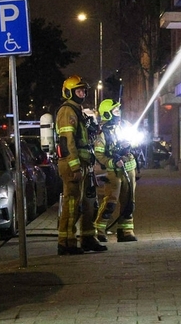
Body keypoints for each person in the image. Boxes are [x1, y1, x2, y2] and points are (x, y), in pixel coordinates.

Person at [55, 75, 108, 255]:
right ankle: (66, 242)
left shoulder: (78, 111)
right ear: (69, 92)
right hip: (73, 166)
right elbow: (67, 142)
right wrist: (75, 167)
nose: (82, 93)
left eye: (84, 90)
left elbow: (83, 139)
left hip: (85, 164)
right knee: (71, 204)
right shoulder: (67, 111)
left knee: (88, 203)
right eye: (78, 90)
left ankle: (87, 237)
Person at [92, 98, 138, 242]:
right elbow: (99, 153)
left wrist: (130, 144)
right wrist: (112, 162)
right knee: (111, 202)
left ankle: (126, 231)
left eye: (118, 110)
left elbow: (138, 140)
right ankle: (99, 230)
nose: (119, 112)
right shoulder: (102, 134)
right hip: (113, 171)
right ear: (107, 114)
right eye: (115, 110)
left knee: (129, 202)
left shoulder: (125, 126)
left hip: (129, 169)